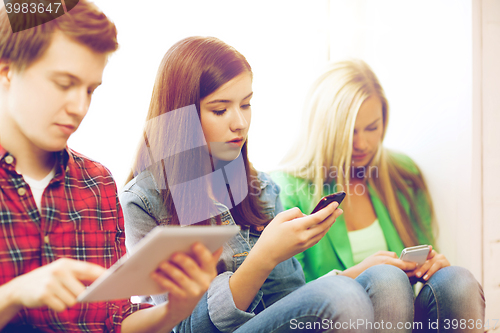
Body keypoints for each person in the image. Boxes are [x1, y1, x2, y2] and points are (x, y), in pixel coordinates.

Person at [120, 37, 390, 333]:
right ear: (180, 118)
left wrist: (351, 275)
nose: (240, 122)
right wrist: (263, 257)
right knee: (345, 295)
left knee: (385, 280)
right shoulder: (142, 202)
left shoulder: (260, 187)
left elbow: (288, 304)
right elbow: (184, 328)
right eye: (220, 110)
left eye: (246, 104)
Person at [0, 2, 220, 332]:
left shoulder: (97, 183)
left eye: (90, 89)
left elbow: (115, 321)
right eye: (63, 83)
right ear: (7, 70)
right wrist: (13, 295)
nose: (80, 107)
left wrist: (175, 310)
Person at [272, 59, 485, 332]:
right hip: (332, 321)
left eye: (372, 128)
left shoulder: (402, 174)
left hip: (402, 318)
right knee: (386, 280)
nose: (362, 144)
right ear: (324, 130)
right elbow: (286, 305)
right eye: (350, 132)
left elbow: (422, 260)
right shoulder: (285, 190)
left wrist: (433, 266)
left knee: (457, 280)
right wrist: (358, 274)